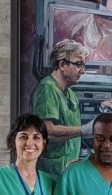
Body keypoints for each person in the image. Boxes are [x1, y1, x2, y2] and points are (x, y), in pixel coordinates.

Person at [31, 39, 90, 176]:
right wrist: (84, 130)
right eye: (78, 65)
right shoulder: (47, 89)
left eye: (83, 65)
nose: (82, 71)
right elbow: (47, 130)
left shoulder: (70, 94)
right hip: (52, 171)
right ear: (62, 64)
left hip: (69, 169)